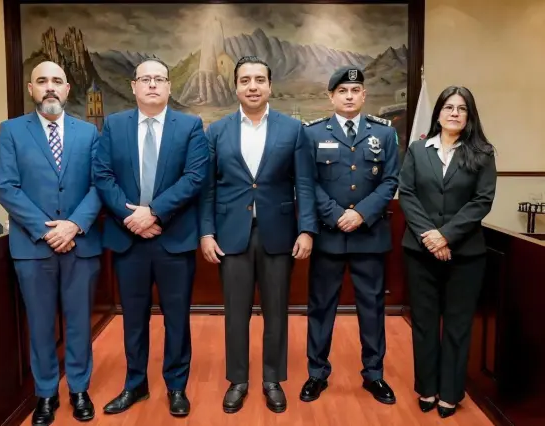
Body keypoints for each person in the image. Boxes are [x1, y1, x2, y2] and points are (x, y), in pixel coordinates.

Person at [199, 56, 317, 414]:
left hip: (279, 234)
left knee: (276, 310)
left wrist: (307, 229)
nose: (252, 86)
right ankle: (238, 380)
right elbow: (207, 189)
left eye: (259, 80)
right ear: (235, 86)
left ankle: (271, 379)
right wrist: (206, 232)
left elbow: (305, 185)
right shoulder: (216, 131)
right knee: (235, 312)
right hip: (230, 234)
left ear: (270, 86)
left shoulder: (293, 130)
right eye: (245, 80)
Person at [93, 57, 208, 417]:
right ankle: (135, 384)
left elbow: (194, 177)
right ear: (134, 86)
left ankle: (176, 386)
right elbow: (102, 175)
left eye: (160, 79)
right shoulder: (114, 125)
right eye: (146, 79)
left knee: (177, 317)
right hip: (129, 240)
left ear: (169, 86)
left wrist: (153, 212)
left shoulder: (190, 126)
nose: (153, 85)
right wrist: (131, 217)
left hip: (173, 238)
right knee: (134, 317)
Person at [0, 61, 102, 425]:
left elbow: (98, 186)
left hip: (81, 245)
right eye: (43, 81)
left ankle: (79, 388)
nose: (50, 87)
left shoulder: (89, 134)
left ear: (68, 89)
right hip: (32, 248)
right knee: (40, 324)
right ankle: (45, 394)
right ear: (31, 88)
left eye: (57, 81)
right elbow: (6, 187)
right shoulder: (10, 131)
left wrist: (72, 226)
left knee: (78, 323)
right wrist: (48, 230)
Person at [300, 66, 399, 405]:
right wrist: (335, 214)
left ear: (364, 95)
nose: (349, 96)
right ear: (331, 96)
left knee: (371, 307)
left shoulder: (384, 134)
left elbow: (390, 180)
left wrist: (360, 213)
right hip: (328, 235)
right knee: (321, 306)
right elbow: (307, 182)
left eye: (355, 91)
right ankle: (316, 374)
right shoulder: (313, 133)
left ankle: (374, 375)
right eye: (342, 91)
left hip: (369, 235)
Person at [398, 86, 496, 418]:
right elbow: (407, 194)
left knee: (457, 324)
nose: (454, 113)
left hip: (466, 255)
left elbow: (482, 201)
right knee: (424, 323)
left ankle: (450, 392)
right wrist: (430, 237)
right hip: (419, 251)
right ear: (438, 112)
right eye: (448, 107)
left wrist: (446, 237)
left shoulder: (482, 152)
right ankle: (427, 387)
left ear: (469, 116)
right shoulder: (417, 150)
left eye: (462, 108)